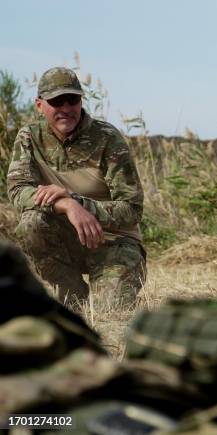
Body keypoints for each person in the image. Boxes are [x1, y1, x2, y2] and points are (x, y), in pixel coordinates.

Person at [6, 67, 146, 305]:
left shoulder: (108, 138)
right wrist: (67, 204)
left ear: (81, 101)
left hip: (113, 243)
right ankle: (72, 297)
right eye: (56, 101)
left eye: (72, 100)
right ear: (39, 105)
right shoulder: (29, 137)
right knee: (31, 223)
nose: (66, 109)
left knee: (110, 312)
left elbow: (132, 209)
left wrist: (81, 204)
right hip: (66, 239)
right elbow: (18, 191)